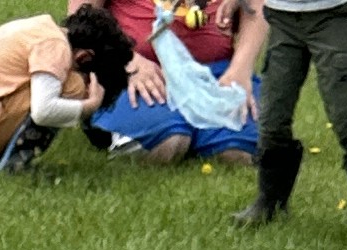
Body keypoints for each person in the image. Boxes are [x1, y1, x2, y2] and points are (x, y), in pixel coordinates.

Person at [235, 0, 347, 240]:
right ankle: (270, 200)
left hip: (335, 16)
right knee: (272, 115)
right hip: (282, 16)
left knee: (345, 114)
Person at [0, 6, 135, 168]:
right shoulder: (56, 48)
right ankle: (12, 165)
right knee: (74, 87)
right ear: (84, 57)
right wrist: (89, 105)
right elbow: (43, 110)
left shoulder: (43, 28)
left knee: (61, 86)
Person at [96, 0, 265, 162]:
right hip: (143, 74)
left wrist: (240, 69)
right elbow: (79, 23)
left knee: (238, 151)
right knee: (169, 142)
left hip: (218, 73)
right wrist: (128, 60)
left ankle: (199, 129)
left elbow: (255, 5)